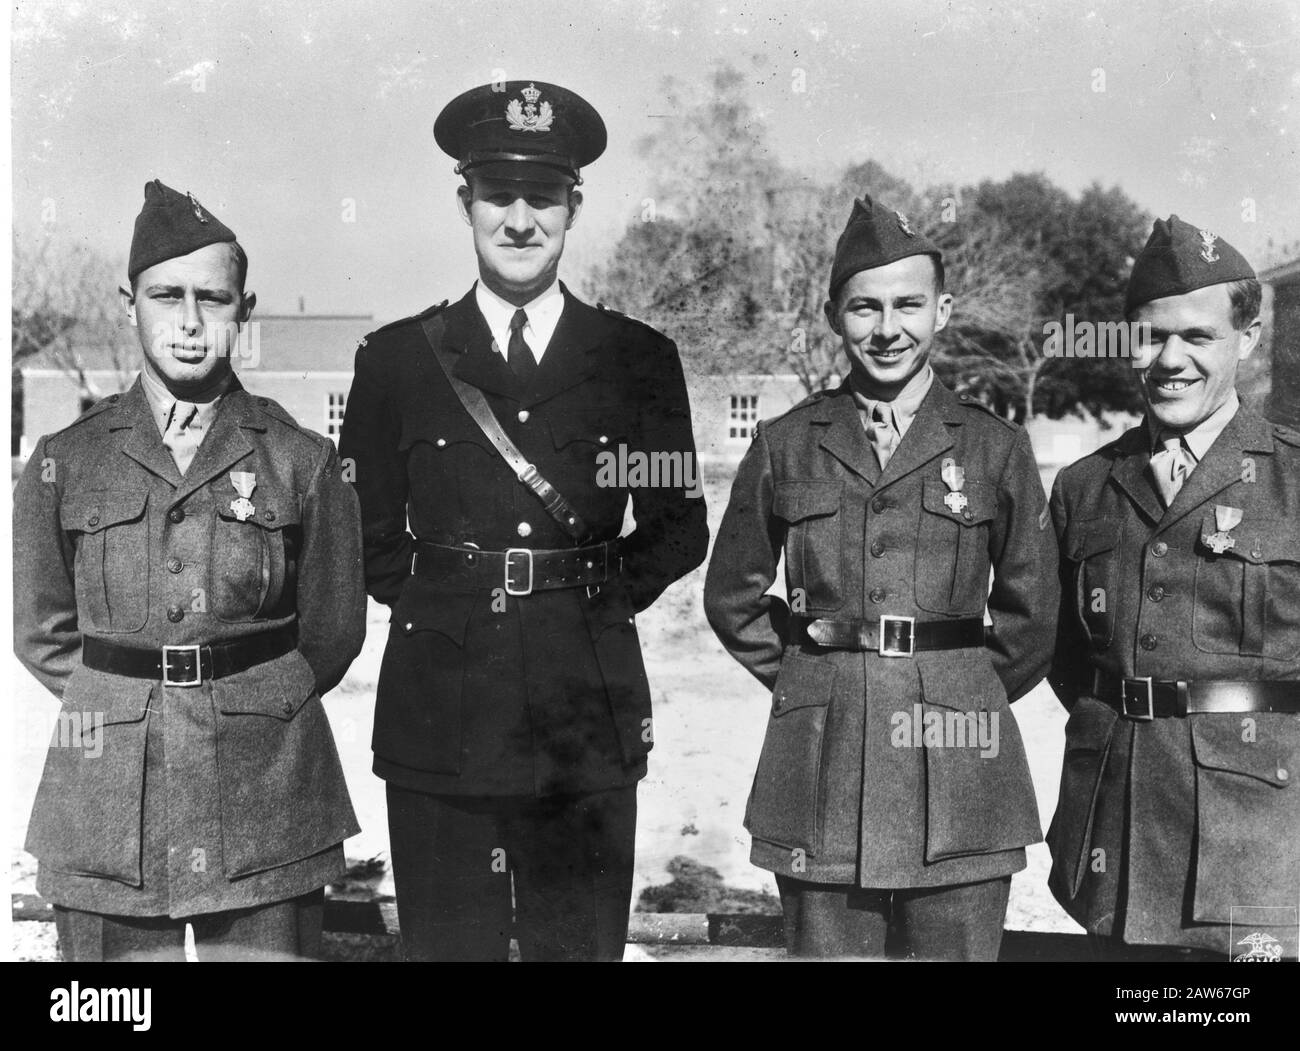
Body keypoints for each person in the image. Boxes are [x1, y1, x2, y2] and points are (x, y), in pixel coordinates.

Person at [338, 80, 708, 962]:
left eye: (542, 196)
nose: (519, 220)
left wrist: (586, 595)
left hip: (587, 707)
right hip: (441, 705)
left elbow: (676, 523)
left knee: (575, 947)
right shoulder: (395, 360)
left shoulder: (637, 359)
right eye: (498, 195)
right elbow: (367, 534)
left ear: (573, 206)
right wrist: (454, 601)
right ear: (464, 200)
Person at [12, 180, 366, 962]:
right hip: (108, 805)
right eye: (166, 295)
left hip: (267, 798)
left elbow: (334, 632)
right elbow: (41, 633)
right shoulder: (63, 462)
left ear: (245, 309)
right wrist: (123, 703)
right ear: (127, 303)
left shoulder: (301, 460)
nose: (190, 320)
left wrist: (249, 704)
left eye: (213, 297)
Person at [704, 195, 1058, 960]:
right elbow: (732, 596)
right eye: (864, 307)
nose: (887, 328)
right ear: (834, 314)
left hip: (963, 774)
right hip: (820, 767)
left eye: (908, 305)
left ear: (943, 311)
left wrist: (957, 690)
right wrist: (815, 677)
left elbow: (1033, 618)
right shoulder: (786, 443)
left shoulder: (996, 447)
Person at [1047, 215, 1299, 961]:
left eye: (1198, 337)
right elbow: (1066, 659)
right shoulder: (1085, 486)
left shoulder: (1293, 478)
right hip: (1118, 831)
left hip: (1258, 839)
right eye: (1151, 336)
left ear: (1247, 339)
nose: (1170, 360)